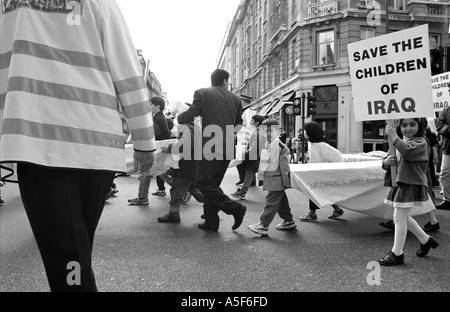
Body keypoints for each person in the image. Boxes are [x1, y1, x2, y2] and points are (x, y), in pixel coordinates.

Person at [0, 0, 156, 291]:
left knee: (68, 264)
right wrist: (144, 141)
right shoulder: (102, 3)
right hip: (96, 143)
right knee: (75, 256)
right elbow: (127, 70)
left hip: (39, 140)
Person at [177, 69, 246, 232]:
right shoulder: (236, 99)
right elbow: (239, 124)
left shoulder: (202, 93)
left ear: (213, 80)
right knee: (212, 184)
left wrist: (179, 118)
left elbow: (192, 113)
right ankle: (211, 221)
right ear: (225, 81)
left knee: (202, 182)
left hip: (211, 144)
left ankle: (235, 208)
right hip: (228, 145)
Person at [378, 118, 439, 266]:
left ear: (420, 126)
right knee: (402, 217)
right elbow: (388, 159)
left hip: (410, 183)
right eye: (404, 125)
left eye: (412, 124)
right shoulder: (399, 140)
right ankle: (426, 240)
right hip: (401, 183)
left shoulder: (422, 141)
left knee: (399, 217)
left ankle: (397, 253)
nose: (408, 128)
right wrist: (386, 163)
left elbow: (406, 151)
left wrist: (393, 135)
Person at [248, 119, 296, 236]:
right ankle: (289, 221)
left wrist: (286, 182)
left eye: (270, 131)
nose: (267, 134)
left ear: (278, 131)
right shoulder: (268, 144)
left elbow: (285, 168)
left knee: (271, 203)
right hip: (272, 179)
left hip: (277, 180)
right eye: (265, 131)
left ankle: (263, 225)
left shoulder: (281, 147)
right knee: (281, 202)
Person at [157, 118, 203, 223]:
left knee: (177, 189)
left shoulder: (188, 128)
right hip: (193, 164)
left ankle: (174, 214)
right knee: (194, 189)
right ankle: (213, 205)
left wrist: (169, 148)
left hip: (187, 165)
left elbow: (186, 145)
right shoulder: (195, 127)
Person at [128, 96, 171, 205]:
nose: (149, 106)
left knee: (151, 172)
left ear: (158, 106)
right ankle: (142, 198)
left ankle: (185, 190)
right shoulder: (159, 117)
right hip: (158, 149)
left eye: (151, 104)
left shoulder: (158, 119)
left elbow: (150, 135)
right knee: (159, 173)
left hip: (157, 149)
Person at [299, 122, 345, 222]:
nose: (304, 132)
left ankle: (312, 214)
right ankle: (337, 210)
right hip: (315, 172)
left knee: (314, 192)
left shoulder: (322, 145)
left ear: (311, 132)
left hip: (321, 174)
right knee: (324, 192)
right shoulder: (311, 142)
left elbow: (337, 155)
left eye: (306, 130)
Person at [231, 114, 266, 199]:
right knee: (251, 174)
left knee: (250, 173)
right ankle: (243, 191)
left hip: (255, 157)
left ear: (257, 123)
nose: (250, 122)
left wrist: (246, 153)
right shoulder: (258, 131)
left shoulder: (258, 132)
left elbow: (255, 146)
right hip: (257, 156)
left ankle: (242, 191)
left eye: (252, 120)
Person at [435, 106, 450, 210]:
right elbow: (439, 127)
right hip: (448, 148)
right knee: (444, 173)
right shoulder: (446, 110)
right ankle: (447, 200)